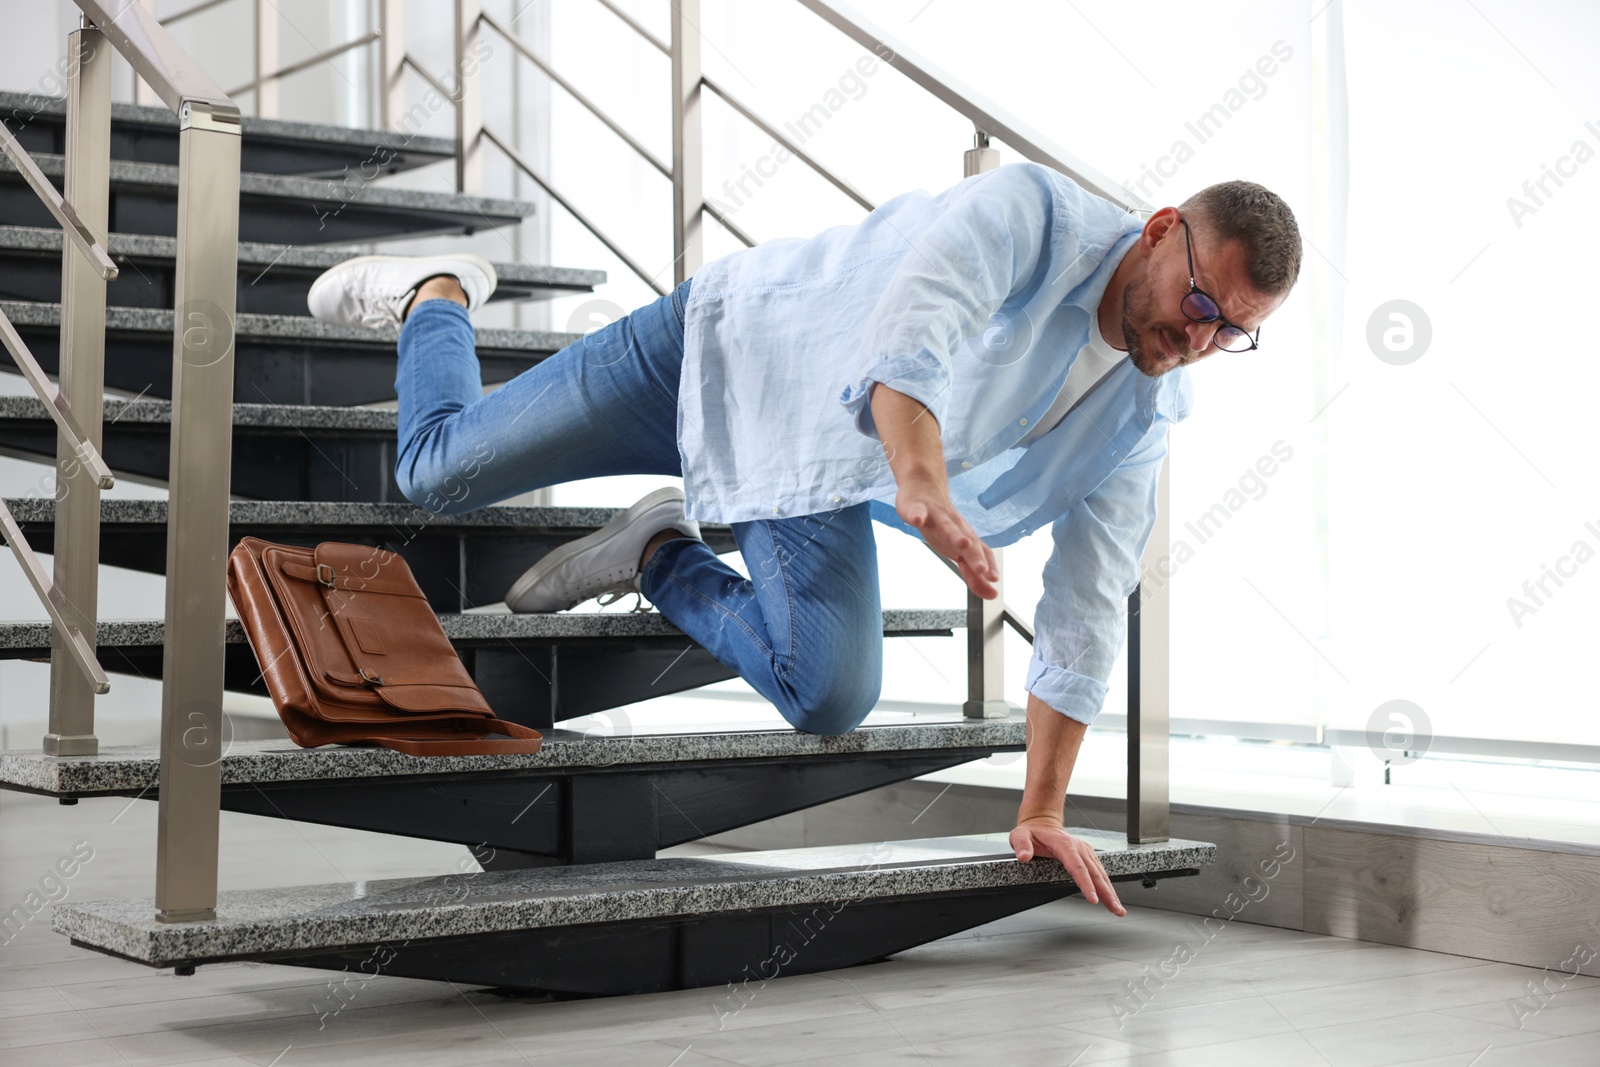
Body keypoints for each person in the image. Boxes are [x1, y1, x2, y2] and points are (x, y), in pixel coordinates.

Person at [307, 161, 1301, 916]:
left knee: (830, 691)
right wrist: (920, 480)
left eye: (1232, 333)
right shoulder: (1033, 216)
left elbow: (1087, 605)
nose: (1199, 340)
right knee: (438, 469)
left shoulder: (1142, 417)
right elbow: (915, 330)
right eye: (1200, 304)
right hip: (725, 348)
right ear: (1162, 231)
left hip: (813, 471)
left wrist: (1040, 807)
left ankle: (660, 550)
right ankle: (437, 291)